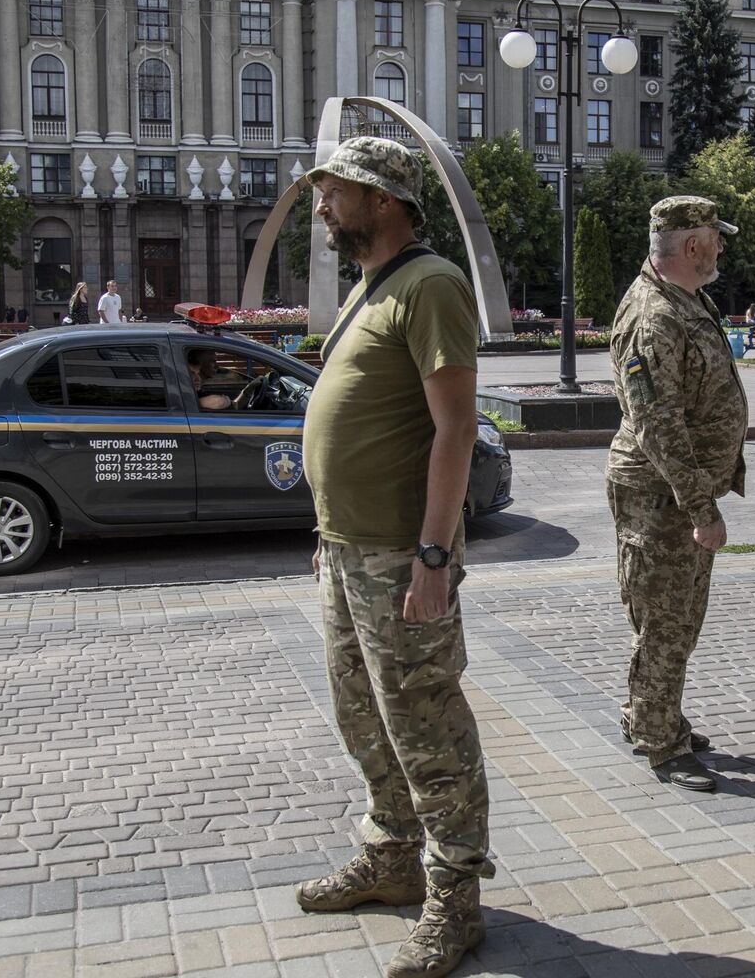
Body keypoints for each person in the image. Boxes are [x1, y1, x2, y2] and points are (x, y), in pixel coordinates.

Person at [294, 136, 490, 978]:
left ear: (381, 198)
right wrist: (326, 536)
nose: (321, 207)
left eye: (332, 191)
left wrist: (435, 556)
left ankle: (455, 898)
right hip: (347, 552)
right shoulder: (369, 289)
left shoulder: (431, 284)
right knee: (363, 719)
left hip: (401, 558)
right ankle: (394, 855)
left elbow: (455, 430)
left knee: (427, 726)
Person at [607, 196, 749, 793]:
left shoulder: (686, 301)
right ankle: (660, 741)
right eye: (716, 236)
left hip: (679, 493)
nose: (720, 246)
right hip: (659, 496)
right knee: (665, 619)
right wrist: (701, 507)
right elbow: (656, 421)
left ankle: (652, 712)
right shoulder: (654, 316)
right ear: (693, 245)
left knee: (679, 618)